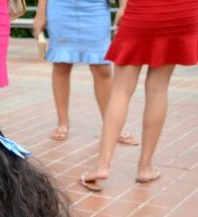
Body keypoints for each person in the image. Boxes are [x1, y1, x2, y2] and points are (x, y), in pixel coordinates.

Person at [80, 0, 198, 191]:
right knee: (158, 89)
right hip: (183, 10)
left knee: (121, 90)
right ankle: (145, 168)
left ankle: (102, 166)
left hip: (143, 9)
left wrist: (123, 6)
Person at [34, 0, 138, 144]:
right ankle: (62, 122)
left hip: (96, 7)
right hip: (60, 8)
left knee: (102, 68)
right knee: (61, 64)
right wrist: (40, 14)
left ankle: (112, 126)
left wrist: (123, 6)